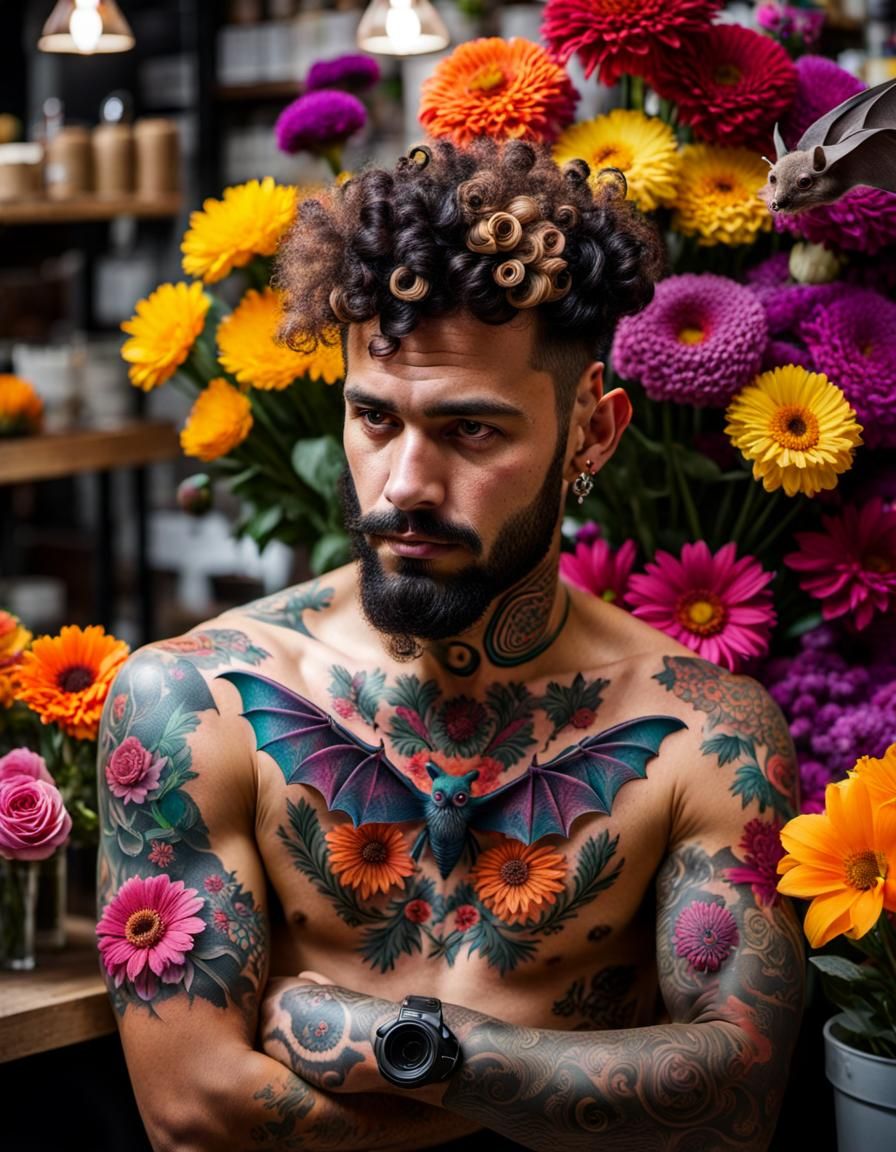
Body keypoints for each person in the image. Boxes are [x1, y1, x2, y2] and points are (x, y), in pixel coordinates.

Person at [96, 138, 805, 1152]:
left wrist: (393, 1042)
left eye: (471, 432)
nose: (401, 487)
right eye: (373, 419)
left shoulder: (701, 732)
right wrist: (559, 1096)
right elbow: (194, 1112)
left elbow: (731, 1106)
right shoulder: (194, 700)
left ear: (591, 436)